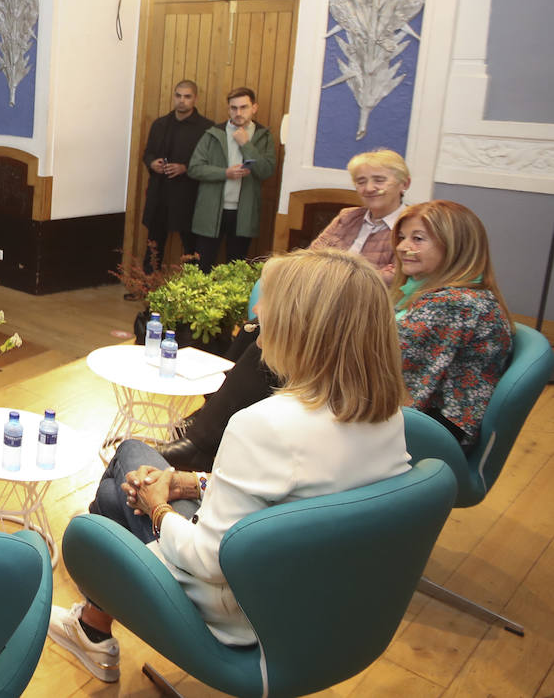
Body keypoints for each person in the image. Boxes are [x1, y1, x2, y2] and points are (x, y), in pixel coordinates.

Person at [48, 248, 411, 681]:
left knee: (120, 479)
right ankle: (91, 625)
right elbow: (297, 497)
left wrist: (158, 505)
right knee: (127, 479)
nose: (256, 311)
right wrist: (192, 483)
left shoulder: (265, 425)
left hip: (246, 615)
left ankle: (91, 624)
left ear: (301, 326)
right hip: (329, 603)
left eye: (269, 302)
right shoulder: (386, 415)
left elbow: (208, 560)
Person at [394, 200, 513, 451]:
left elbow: (388, 364)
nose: (403, 247)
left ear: (455, 247)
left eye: (418, 239)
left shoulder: (452, 304)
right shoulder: (452, 293)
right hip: (433, 419)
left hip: (437, 432)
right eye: (403, 237)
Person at [188, 87, 278, 270]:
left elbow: (266, 171)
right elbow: (194, 168)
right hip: (212, 210)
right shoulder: (213, 133)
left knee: (235, 267)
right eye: (233, 108)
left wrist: (246, 145)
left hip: (244, 213)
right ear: (228, 109)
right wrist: (225, 173)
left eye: (244, 107)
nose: (238, 113)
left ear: (254, 108)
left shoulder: (263, 136)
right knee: (202, 266)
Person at [139, 80, 213, 274]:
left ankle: (190, 293)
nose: (182, 101)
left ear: (195, 99)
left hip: (188, 196)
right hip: (159, 193)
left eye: (187, 96)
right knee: (153, 246)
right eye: (178, 95)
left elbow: (210, 163)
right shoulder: (160, 124)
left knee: (191, 248)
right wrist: (152, 163)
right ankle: (147, 289)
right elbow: (147, 154)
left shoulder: (206, 128)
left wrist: (185, 168)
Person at [310, 149, 411, 278]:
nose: (369, 188)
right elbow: (312, 258)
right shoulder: (347, 217)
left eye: (379, 180)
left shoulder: (412, 226)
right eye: (361, 182)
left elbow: (394, 279)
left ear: (405, 184)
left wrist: (333, 275)